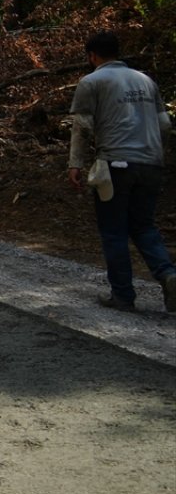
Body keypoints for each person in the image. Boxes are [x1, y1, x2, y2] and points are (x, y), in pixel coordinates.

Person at [67, 31, 175, 313]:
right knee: (143, 225)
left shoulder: (91, 82)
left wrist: (75, 164)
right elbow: (164, 125)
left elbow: (82, 126)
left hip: (115, 165)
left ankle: (123, 295)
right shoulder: (146, 80)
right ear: (117, 52)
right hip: (151, 164)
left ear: (92, 56)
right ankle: (168, 274)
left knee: (113, 230)